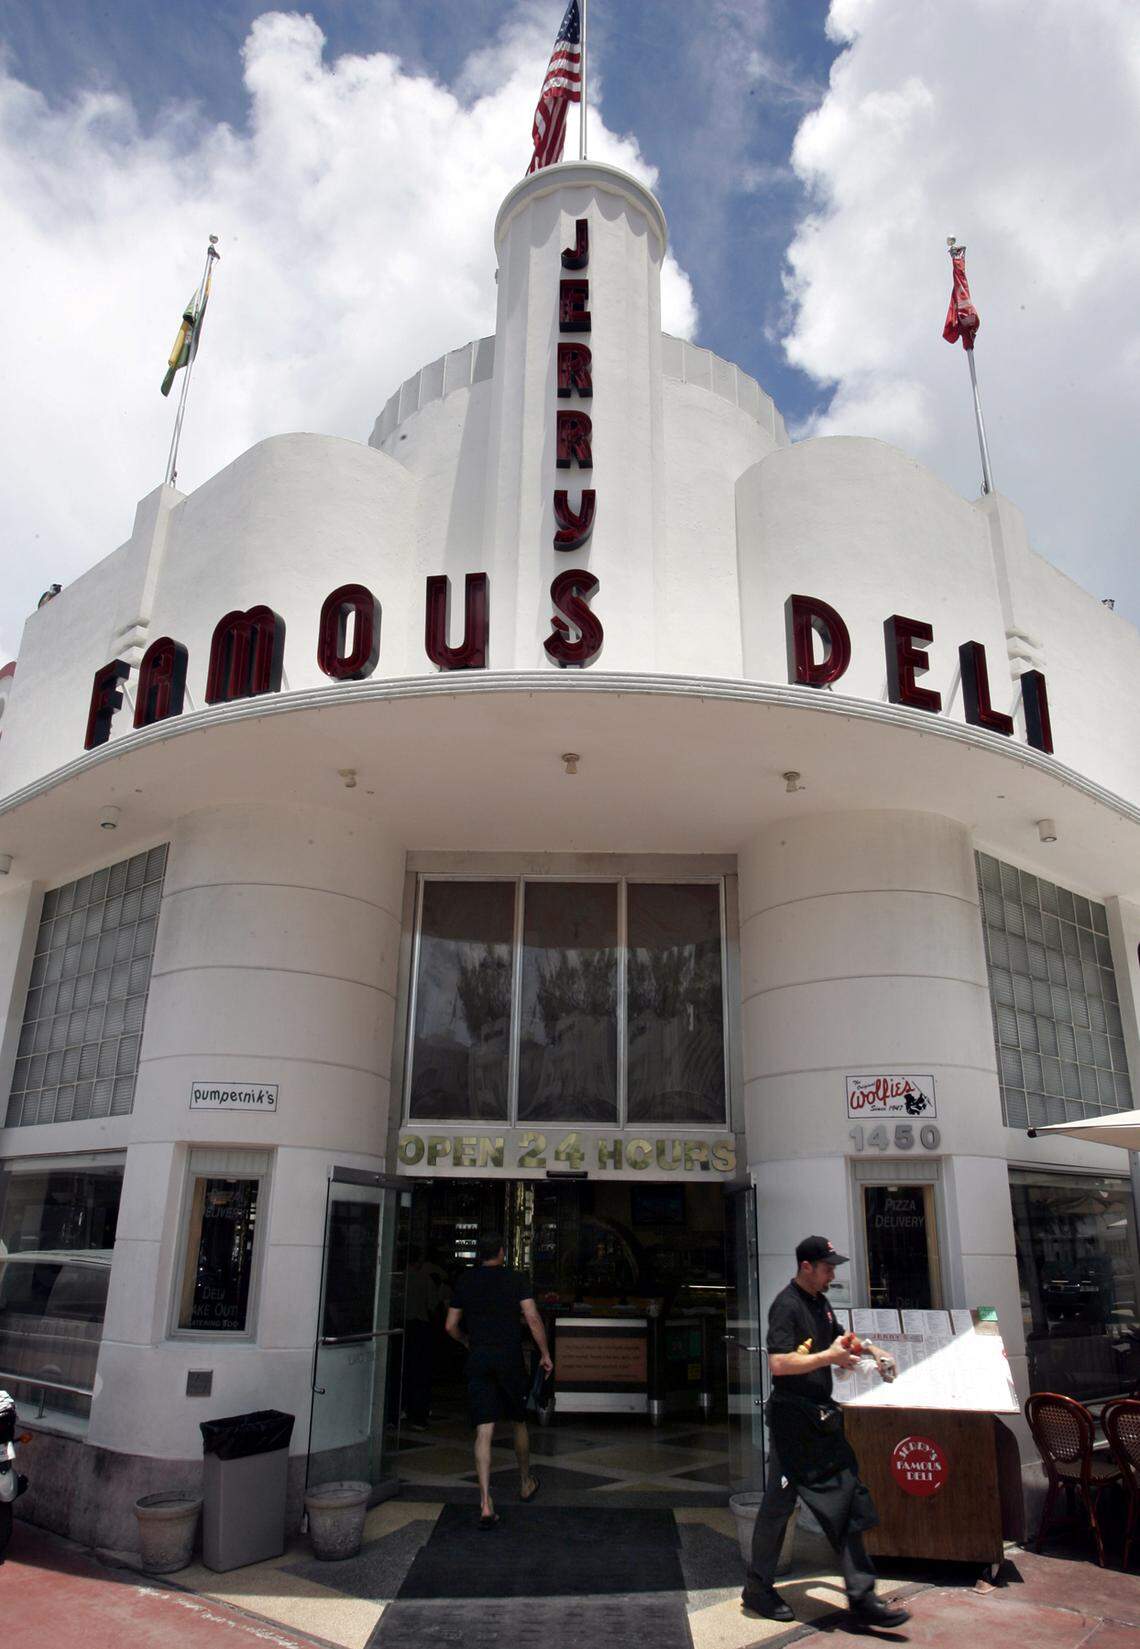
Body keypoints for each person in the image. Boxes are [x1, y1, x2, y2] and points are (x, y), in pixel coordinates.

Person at [741, 1235, 911, 1630]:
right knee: (778, 1507)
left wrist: (870, 1352)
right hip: (793, 1424)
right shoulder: (785, 1306)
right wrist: (830, 1357)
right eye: (827, 1266)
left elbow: (839, 1341)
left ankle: (862, 1596)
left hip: (821, 1420)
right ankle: (757, 1588)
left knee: (848, 1497)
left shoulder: (820, 1302)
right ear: (806, 1267)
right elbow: (780, 1365)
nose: (833, 1273)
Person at [446, 1231, 554, 1528]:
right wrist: (544, 1353)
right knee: (518, 1421)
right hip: (509, 1360)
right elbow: (532, 1319)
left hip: (479, 1359)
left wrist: (468, 1341)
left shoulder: (466, 1281)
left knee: (484, 1430)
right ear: (502, 1252)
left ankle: (484, 1501)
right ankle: (524, 1482)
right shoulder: (515, 1279)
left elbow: (450, 1325)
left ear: (479, 1255)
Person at [402, 1249, 448, 1430]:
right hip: (420, 1327)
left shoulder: (399, 1277)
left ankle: (399, 1409)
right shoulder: (424, 1280)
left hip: (401, 1327)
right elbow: (433, 1305)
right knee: (420, 1371)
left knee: (403, 1368)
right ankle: (418, 1414)